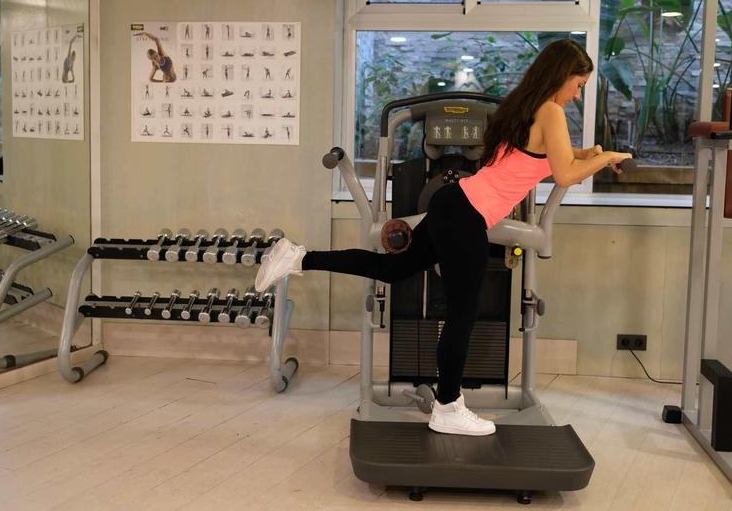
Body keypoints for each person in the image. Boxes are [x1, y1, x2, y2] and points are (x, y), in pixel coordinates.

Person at [254, 39, 633, 437]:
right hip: (466, 218)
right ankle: (448, 407)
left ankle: (296, 256)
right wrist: (606, 159)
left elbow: (548, 155)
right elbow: (565, 174)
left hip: (454, 204)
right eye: (577, 85)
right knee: (461, 313)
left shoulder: (528, 107)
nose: (577, 94)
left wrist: (588, 151)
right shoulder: (552, 111)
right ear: (560, 77)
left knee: (391, 268)